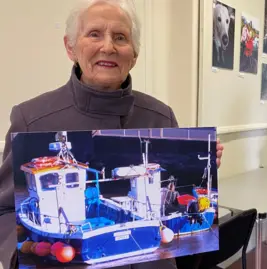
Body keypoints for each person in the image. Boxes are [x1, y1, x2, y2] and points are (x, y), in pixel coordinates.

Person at [0, 0, 224, 268]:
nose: (108, 47)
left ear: (135, 54)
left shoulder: (161, 115)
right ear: (70, 47)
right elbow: (3, 210)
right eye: (94, 34)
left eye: (121, 37)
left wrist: (210, 159)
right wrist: (20, 254)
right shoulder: (30, 118)